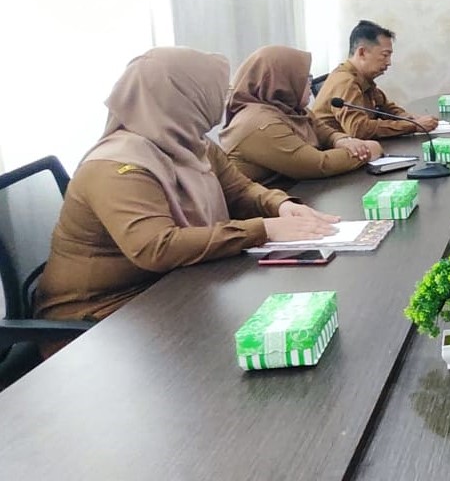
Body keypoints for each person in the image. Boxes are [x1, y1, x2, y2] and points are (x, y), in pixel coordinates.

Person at [34, 47, 339, 330]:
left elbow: (239, 190)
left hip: (173, 285)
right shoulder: (116, 167)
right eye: (212, 92)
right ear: (182, 98)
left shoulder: (193, 143)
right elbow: (157, 247)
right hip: (100, 316)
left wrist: (280, 205)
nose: (221, 100)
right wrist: (264, 229)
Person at [221, 45, 382, 188]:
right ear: (281, 82)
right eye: (305, 78)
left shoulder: (288, 109)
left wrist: (341, 140)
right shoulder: (258, 123)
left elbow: (322, 130)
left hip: (295, 196)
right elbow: (318, 165)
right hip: (263, 214)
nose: (310, 84)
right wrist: (366, 151)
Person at [313, 20, 439, 139]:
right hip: (334, 150)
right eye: (385, 55)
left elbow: (385, 107)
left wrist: (406, 117)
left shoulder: (362, 78)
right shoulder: (345, 81)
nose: (389, 63)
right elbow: (358, 129)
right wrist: (413, 126)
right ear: (362, 53)